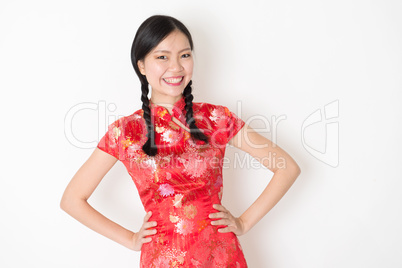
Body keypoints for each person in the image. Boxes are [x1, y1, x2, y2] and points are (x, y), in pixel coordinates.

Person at [60, 15, 301, 267]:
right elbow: (72, 199)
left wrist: (244, 222)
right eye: (162, 57)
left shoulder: (216, 118)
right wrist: (131, 239)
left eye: (184, 55)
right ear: (141, 65)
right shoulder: (125, 132)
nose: (176, 67)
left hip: (221, 256)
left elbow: (286, 167)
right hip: (162, 259)